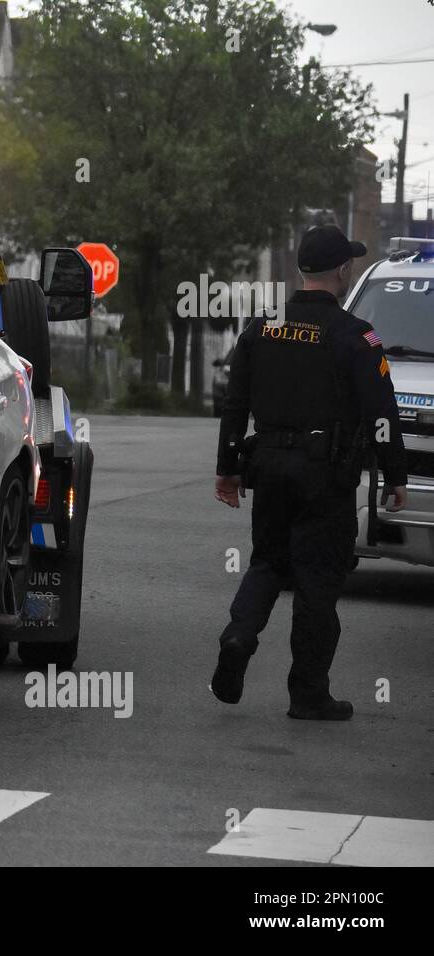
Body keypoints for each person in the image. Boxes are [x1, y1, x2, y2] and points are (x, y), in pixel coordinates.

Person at [211, 224, 407, 720]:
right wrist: (395, 475)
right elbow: (382, 414)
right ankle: (308, 692)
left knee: (267, 563)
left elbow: (234, 407)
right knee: (318, 581)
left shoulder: (261, 326)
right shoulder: (357, 335)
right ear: (343, 271)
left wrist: (228, 471)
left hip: (270, 468)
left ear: (303, 269)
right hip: (326, 474)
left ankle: (238, 636)